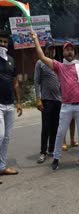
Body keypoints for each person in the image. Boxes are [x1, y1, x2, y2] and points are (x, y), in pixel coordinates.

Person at [32, 31, 79, 170]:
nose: (69, 52)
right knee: (60, 133)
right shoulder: (59, 66)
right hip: (65, 106)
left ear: (74, 52)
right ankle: (56, 158)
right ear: (63, 52)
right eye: (67, 49)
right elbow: (41, 56)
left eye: (71, 50)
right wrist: (35, 39)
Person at [0, 30, 22, 184]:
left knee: (7, 138)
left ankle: (2, 167)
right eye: (0, 42)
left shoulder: (11, 60)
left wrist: (19, 102)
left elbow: (15, 82)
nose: (2, 44)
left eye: (5, 42)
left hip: (10, 104)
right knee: (0, 136)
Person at [34, 41, 61, 163]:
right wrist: (38, 99)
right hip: (46, 100)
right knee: (46, 127)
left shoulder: (57, 64)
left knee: (55, 127)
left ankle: (51, 149)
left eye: (53, 49)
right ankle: (43, 152)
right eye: (49, 49)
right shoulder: (40, 63)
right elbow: (36, 82)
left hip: (58, 101)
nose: (52, 51)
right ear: (45, 50)